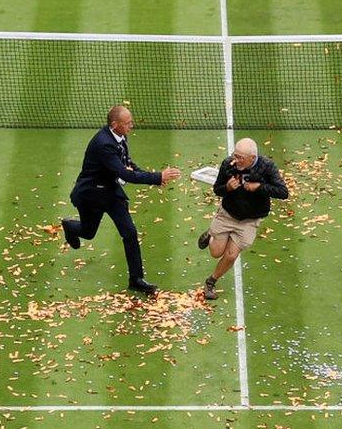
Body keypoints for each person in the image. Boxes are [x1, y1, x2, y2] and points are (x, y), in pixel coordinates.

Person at [61, 105, 181, 294]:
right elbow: (125, 174)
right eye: (127, 123)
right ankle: (69, 226)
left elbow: (128, 164)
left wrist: (155, 179)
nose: (131, 126)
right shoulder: (104, 144)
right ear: (115, 124)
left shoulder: (120, 136)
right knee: (88, 232)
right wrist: (157, 177)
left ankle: (136, 279)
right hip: (91, 195)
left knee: (130, 233)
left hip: (111, 194)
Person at [197, 138, 288, 300]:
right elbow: (217, 189)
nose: (236, 160)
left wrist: (259, 187)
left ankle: (211, 281)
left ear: (252, 158)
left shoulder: (267, 167)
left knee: (231, 255)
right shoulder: (228, 164)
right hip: (228, 214)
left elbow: (282, 192)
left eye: (240, 157)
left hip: (250, 220)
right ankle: (211, 235)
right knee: (216, 252)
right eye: (235, 155)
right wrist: (227, 187)